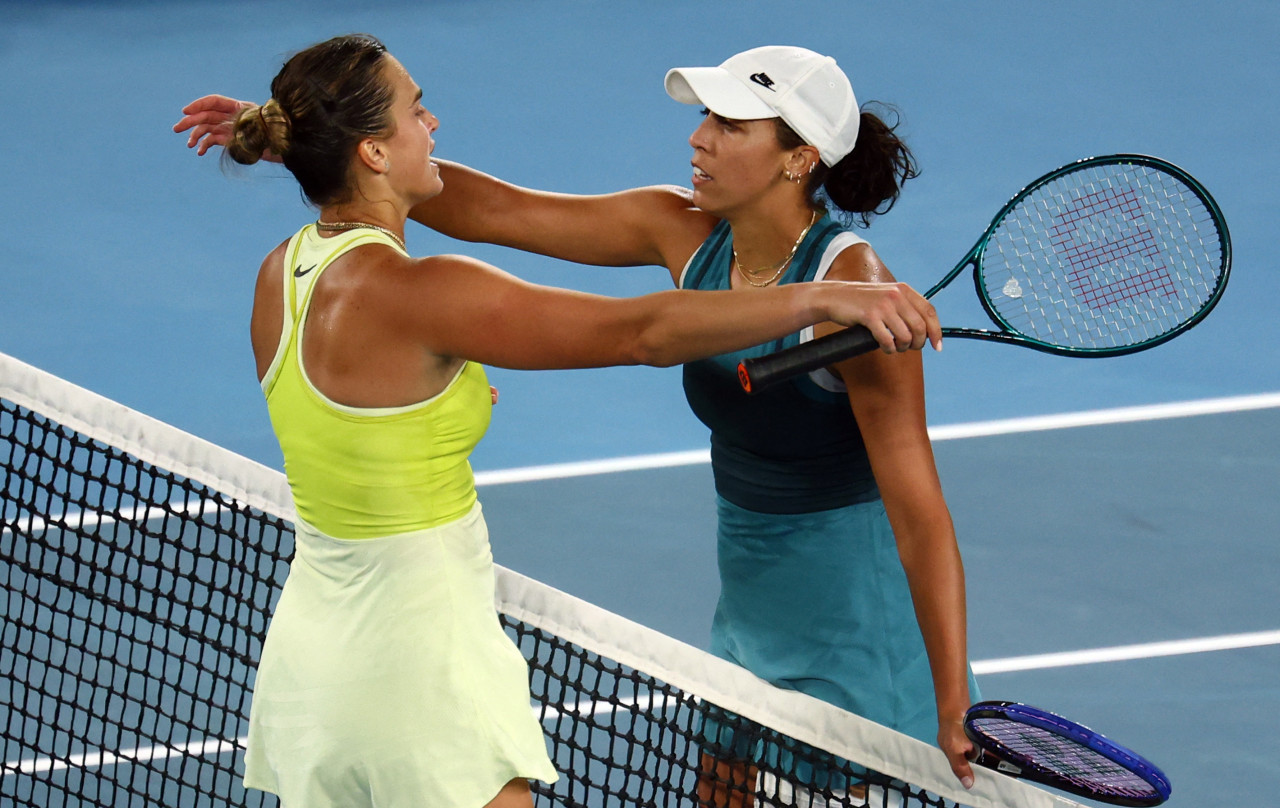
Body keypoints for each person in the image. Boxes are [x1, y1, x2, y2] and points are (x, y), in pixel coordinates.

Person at [177, 34, 944, 808]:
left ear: (800, 156)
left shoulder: (283, 269)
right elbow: (620, 317)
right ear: (372, 151)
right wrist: (818, 299)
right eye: (417, 113)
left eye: (729, 124)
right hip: (438, 660)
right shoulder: (472, 282)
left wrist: (312, 141)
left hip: (315, 667)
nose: (698, 137)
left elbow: (921, 520)